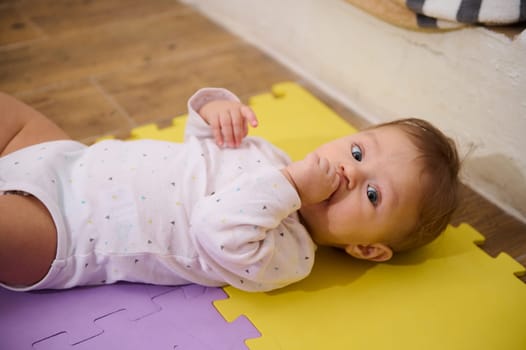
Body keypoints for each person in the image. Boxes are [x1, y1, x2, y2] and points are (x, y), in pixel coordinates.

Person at [0, 87, 460, 292]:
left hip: (65, 232)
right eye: (359, 153)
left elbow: (213, 225)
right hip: (68, 158)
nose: (350, 173)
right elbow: (200, 143)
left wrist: (295, 188)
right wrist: (215, 111)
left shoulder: (287, 255)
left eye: (373, 195)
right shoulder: (275, 157)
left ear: (365, 248)